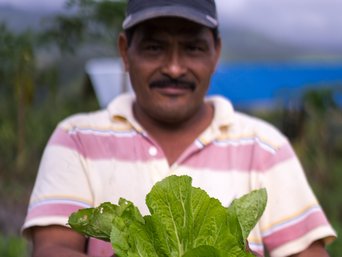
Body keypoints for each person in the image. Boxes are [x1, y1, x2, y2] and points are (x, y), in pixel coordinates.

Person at [22, 0, 336, 256]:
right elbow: (53, 247)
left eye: (193, 49)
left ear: (216, 53)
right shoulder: (77, 139)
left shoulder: (265, 147)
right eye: (154, 48)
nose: (174, 67)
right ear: (124, 52)